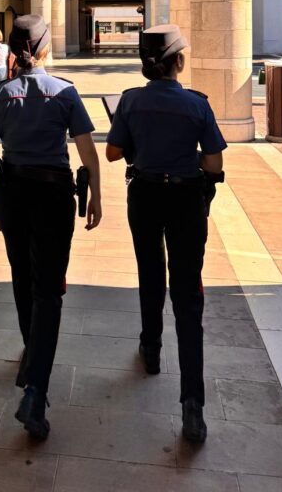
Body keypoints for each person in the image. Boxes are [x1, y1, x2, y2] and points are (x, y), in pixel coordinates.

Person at [0, 14, 102, 440]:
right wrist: (96, 197)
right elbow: (87, 153)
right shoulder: (65, 92)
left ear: (12, 51)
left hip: (12, 192)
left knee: (21, 277)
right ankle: (35, 390)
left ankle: (32, 351)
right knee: (49, 289)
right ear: (44, 49)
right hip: (52, 197)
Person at [105, 25, 226, 445]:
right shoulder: (196, 105)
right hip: (187, 201)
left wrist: (141, 145)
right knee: (188, 293)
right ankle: (192, 405)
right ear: (179, 61)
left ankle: (151, 348)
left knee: (150, 272)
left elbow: (112, 152)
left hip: (144, 195)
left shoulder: (130, 101)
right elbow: (213, 162)